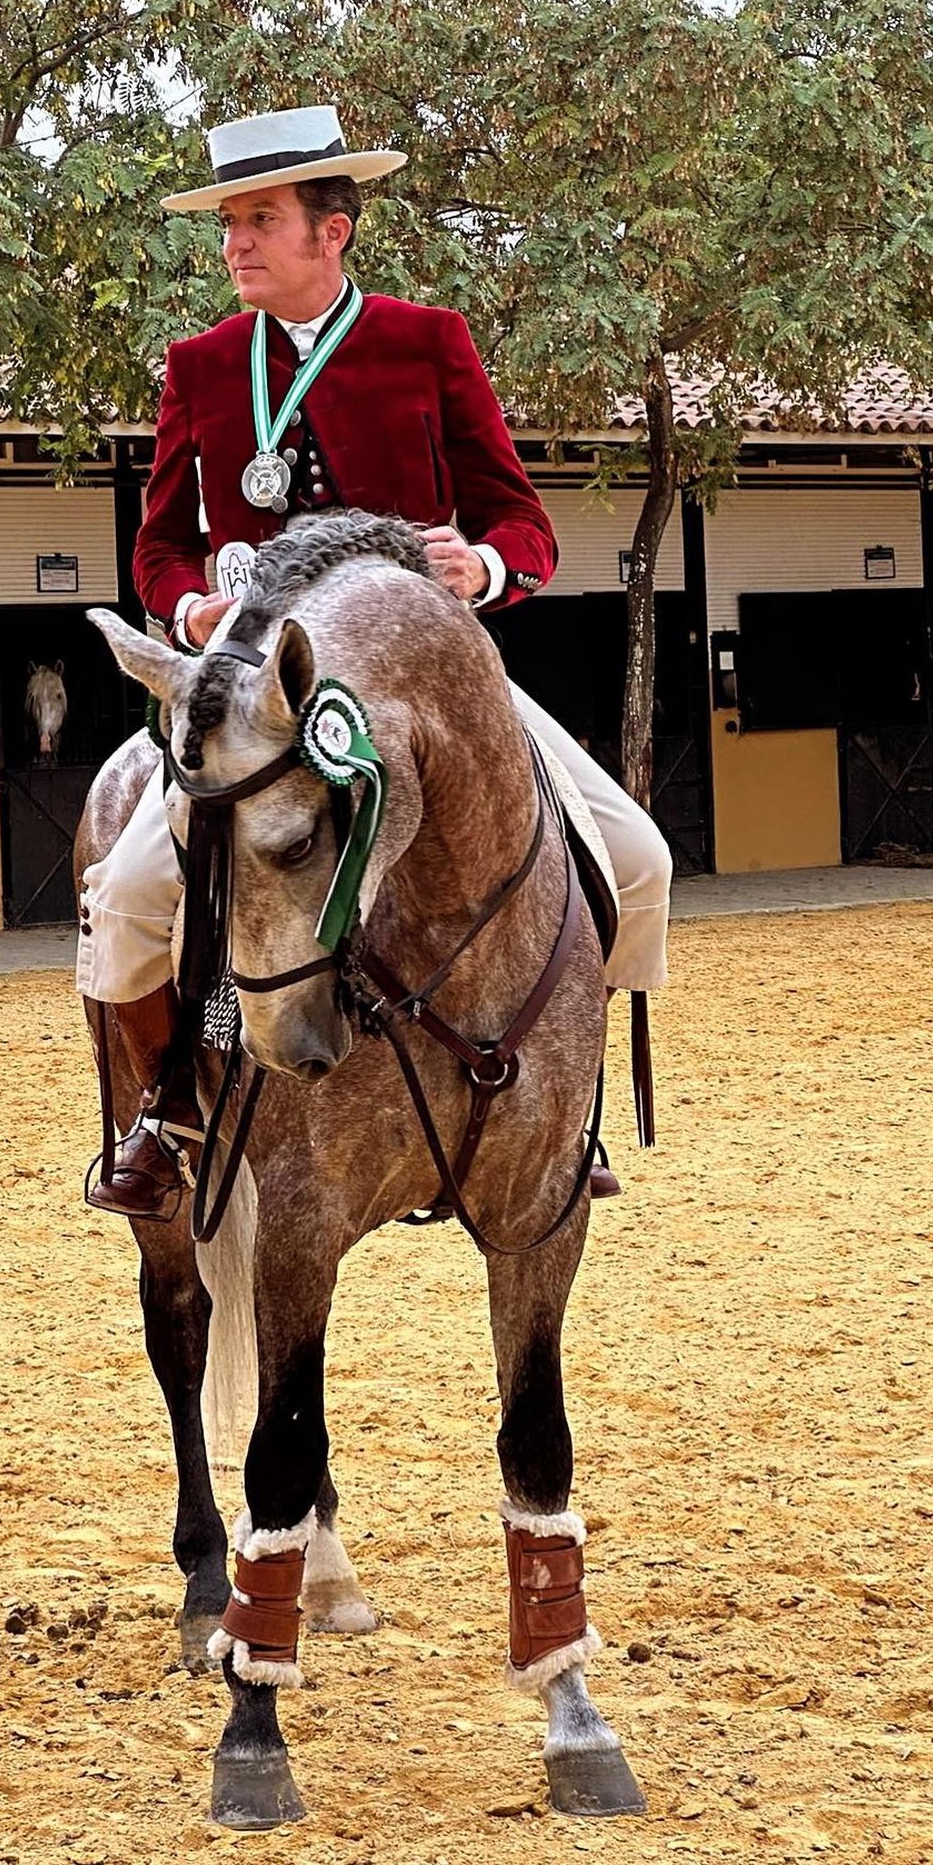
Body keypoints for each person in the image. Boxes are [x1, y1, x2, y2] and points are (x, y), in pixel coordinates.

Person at [79, 104, 672, 1217]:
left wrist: (482, 569)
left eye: (258, 220)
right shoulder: (201, 365)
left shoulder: (426, 339)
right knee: (128, 896)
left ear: (331, 230)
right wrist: (192, 602)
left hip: (419, 685)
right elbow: (158, 544)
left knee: (637, 860)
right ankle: (165, 1107)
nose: (234, 245)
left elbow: (521, 522)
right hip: (257, 694)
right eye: (228, 225)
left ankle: (565, 1107)